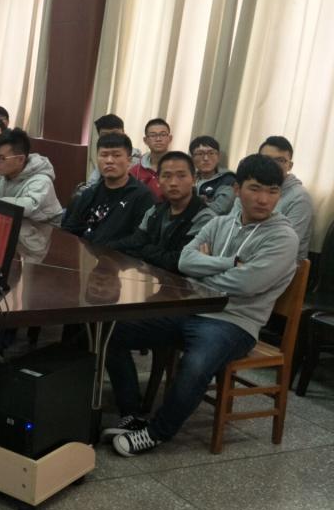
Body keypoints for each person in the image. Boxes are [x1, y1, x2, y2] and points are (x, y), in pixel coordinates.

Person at [104, 154, 299, 457]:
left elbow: (247, 284)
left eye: (272, 191)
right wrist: (230, 263)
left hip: (235, 322)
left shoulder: (284, 238)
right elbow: (185, 261)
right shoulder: (219, 222)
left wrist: (204, 270)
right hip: (191, 309)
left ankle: (157, 432)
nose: (263, 199)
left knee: (195, 365)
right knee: (111, 331)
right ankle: (132, 413)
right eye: (255, 189)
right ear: (237, 189)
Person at [113, 151, 215, 273]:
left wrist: (145, 250)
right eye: (166, 176)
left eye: (181, 176)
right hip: (152, 277)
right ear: (158, 180)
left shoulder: (204, 218)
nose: (173, 183)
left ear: (193, 179)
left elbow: (179, 261)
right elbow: (134, 242)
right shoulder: (154, 211)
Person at [61, 133, 154, 246]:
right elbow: (70, 228)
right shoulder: (90, 193)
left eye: (116, 155)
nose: (109, 160)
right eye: (104, 155)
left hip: (116, 255)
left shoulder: (142, 196)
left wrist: (104, 249)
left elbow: (139, 240)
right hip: (85, 252)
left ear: (129, 160)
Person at [243, 136, 314, 262]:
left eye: (280, 160)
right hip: (240, 254)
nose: (272, 165)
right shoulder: (247, 187)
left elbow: (284, 244)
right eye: (267, 159)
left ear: (290, 165)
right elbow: (233, 226)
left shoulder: (300, 198)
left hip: (278, 262)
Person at [0, 128, 62, 222]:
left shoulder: (42, 181)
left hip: (42, 228)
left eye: (1, 158)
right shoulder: (5, 174)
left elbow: (27, 206)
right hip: (14, 223)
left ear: (20, 159)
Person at [77, 114, 144, 193]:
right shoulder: (103, 156)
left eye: (115, 134)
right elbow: (91, 184)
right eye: (105, 135)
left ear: (124, 133)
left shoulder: (137, 159)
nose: (110, 138)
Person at [189, 135, 236, 215]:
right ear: (192, 158)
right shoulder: (189, 178)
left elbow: (220, 209)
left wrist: (196, 202)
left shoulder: (227, 179)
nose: (206, 158)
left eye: (211, 153)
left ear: (218, 157)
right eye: (200, 154)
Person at [129, 118, 172, 202]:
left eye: (163, 135)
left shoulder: (179, 167)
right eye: (153, 135)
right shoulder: (135, 171)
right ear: (145, 140)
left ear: (170, 138)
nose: (158, 139)